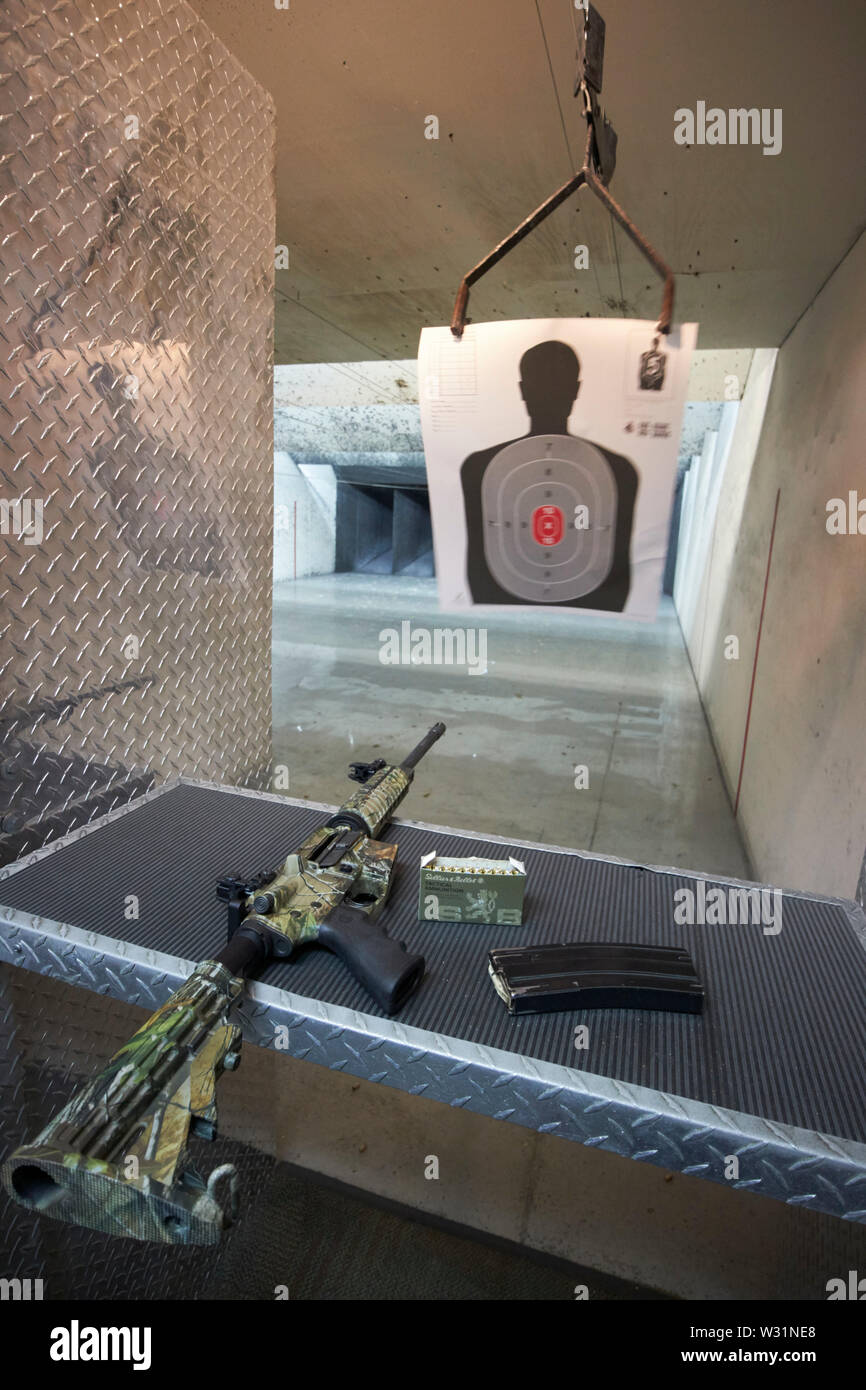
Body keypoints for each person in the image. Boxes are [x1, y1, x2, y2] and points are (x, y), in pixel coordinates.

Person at [460, 340, 638, 610]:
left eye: (557, 384)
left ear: (522, 390)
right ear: (576, 390)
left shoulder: (479, 465)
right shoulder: (618, 469)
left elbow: (480, 575)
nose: (549, 394)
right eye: (544, 384)